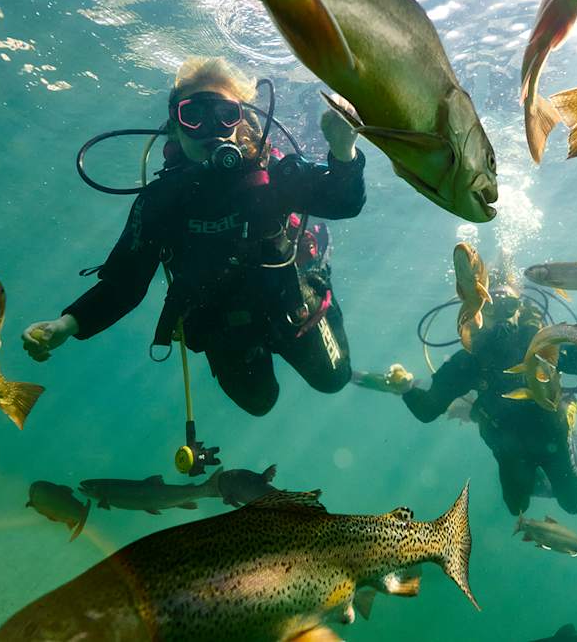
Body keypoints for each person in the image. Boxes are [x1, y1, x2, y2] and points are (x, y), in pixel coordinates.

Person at [21, 57, 366, 416]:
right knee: (259, 404)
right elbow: (124, 285)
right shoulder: (160, 201)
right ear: (175, 125)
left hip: (291, 305)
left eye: (225, 114)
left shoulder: (271, 172)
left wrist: (344, 152)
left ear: (240, 121)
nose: (211, 128)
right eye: (194, 115)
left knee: (333, 379)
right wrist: (67, 325)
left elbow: (344, 202)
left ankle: (319, 291)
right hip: (224, 327)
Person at [387, 275, 577, 515]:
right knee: (517, 508)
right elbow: (428, 410)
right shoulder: (471, 360)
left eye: (509, 305)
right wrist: (406, 389)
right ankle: (536, 476)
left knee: (573, 504)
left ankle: (576, 444)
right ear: (481, 314)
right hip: (508, 449)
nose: (502, 314)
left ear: (519, 311)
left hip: (553, 438)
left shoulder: (544, 347)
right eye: (492, 306)